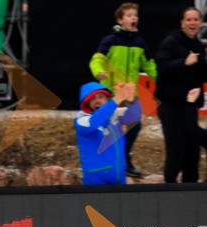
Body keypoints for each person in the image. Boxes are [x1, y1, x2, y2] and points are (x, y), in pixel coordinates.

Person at [89, 2, 157, 178]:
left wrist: (162, 79)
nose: (133, 18)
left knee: (135, 126)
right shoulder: (110, 41)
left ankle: (124, 160)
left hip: (131, 96)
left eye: (135, 15)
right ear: (120, 20)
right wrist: (99, 72)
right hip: (112, 96)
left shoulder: (140, 43)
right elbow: (96, 60)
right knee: (112, 131)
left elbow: (150, 66)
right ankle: (111, 164)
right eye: (129, 15)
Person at [155, 7, 207, 183]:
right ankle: (169, 191)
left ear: (200, 23)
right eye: (189, 20)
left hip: (189, 105)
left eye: (195, 20)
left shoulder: (198, 45)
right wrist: (184, 62)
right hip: (171, 105)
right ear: (182, 23)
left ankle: (191, 193)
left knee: (192, 153)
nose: (192, 23)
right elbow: (161, 67)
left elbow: (200, 74)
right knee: (176, 152)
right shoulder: (171, 42)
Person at [75, 81, 140, 185]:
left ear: (106, 99)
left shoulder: (115, 114)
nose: (97, 101)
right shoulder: (82, 119)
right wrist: (116, 99)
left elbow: (134, 117)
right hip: (96, 181)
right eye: (93, 98)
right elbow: (94, 121)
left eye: (101, 97)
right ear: (86, 102)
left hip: (119, 176)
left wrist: (131, 99)